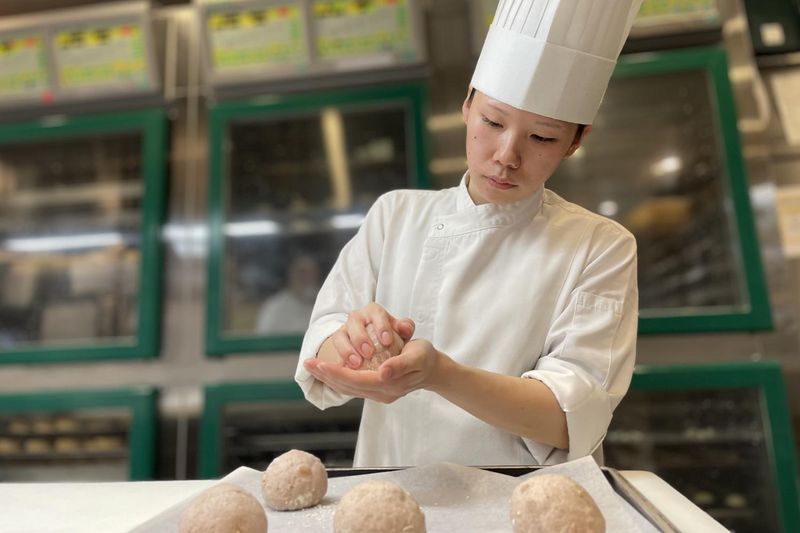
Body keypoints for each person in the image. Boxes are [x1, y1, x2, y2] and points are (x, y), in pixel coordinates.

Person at [296, 0, 643, 467]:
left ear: (575, 142)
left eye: (542, 137)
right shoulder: (395, 215)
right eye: (493, 122)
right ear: (466, 105)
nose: (507, 155)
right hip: (393, 488)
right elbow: (324, 343)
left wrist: (439, 374)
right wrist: (359, 344)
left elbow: (571, 416)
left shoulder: (599, 246)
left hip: (525, 507)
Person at [256, 254, 321, 335]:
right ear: (291, 274)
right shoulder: (274, 306)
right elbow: (264, 340)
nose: (306, 277)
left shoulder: (323, 304)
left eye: (311, 273)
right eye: (302, 272)